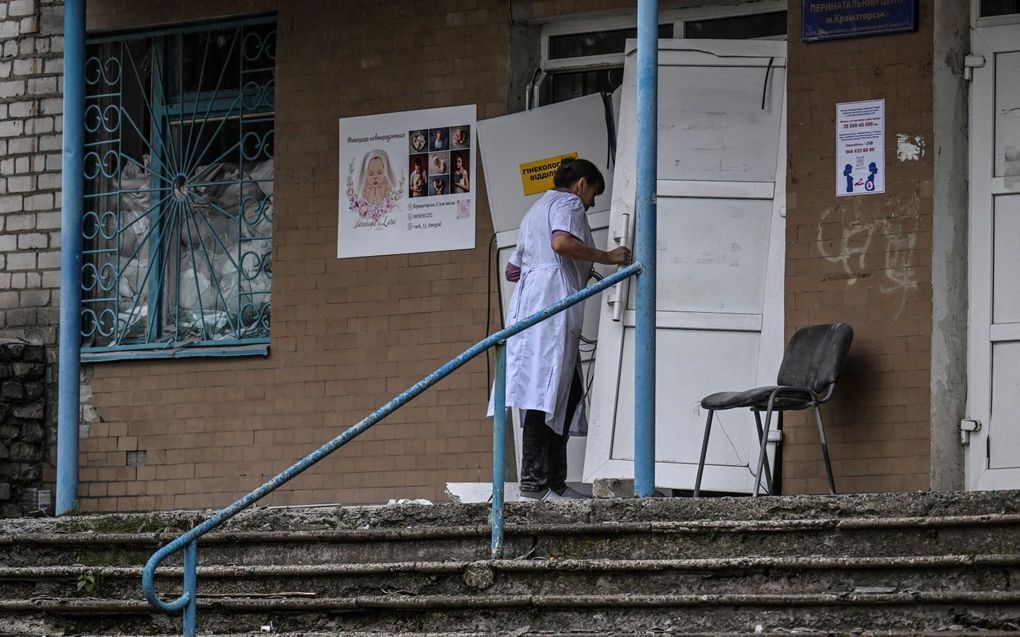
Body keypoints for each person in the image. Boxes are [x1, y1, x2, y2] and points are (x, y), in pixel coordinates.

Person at [494, 158, 631, 502]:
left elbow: (512, 271)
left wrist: (539, 272)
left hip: (532, 306)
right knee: (546, 395)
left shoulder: (534, 210)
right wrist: (607, 257)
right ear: (582, 184)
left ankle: (552, 482)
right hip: (552, 308)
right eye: (594, 194)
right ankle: (535, 486)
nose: (592, 203)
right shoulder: (569, 203)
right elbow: (560, 243)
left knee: (560, 395)